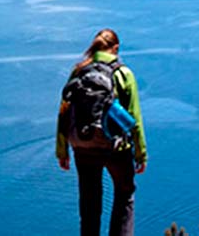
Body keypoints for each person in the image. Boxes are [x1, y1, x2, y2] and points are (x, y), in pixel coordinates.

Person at [56, 29, 147, 236]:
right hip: (115, 148)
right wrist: (140, 153)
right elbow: (135, 119)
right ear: (115, 48)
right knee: (125, 196)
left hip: (83, 146)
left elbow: (63, 113)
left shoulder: (78, 72)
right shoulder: (123, 73)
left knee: (89, 203)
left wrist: (62, 150)